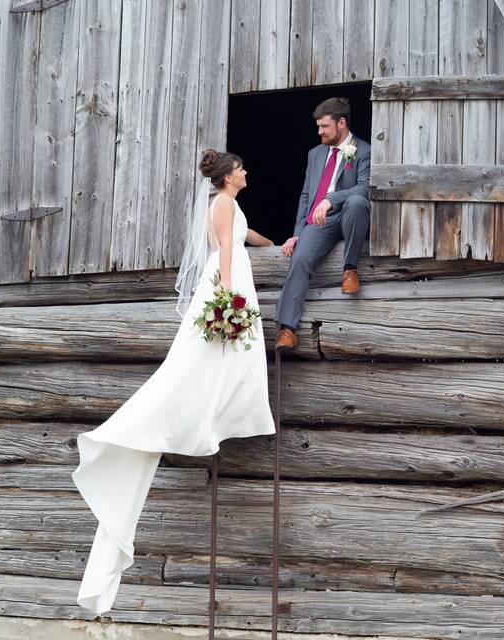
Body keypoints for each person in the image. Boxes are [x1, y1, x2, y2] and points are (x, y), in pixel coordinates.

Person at [72, 149, 277, 615]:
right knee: (195, 367)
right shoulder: (222, 204)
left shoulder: (229, 205)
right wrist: (231, 302)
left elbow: (246, 236)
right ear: (228, 178)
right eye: (242, 168)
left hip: (231, 282)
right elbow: (227, 250)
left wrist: (277, 243)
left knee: (217, 366)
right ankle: (178, 421)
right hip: (226, 287)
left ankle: (215, 415)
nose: (247, 172)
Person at [275, 97, 372, 351]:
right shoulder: (315, 154)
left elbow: (363, 189)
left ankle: (350, 270)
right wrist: (297, 233)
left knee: (358, 203)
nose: (319, 132)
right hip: (320, 221)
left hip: (349, 215)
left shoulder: (364, 150)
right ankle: (287, 329)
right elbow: (306, 196)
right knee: (300, 258)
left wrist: (330, 199)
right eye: (318, 126)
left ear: (341, 123)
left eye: (324, 126)